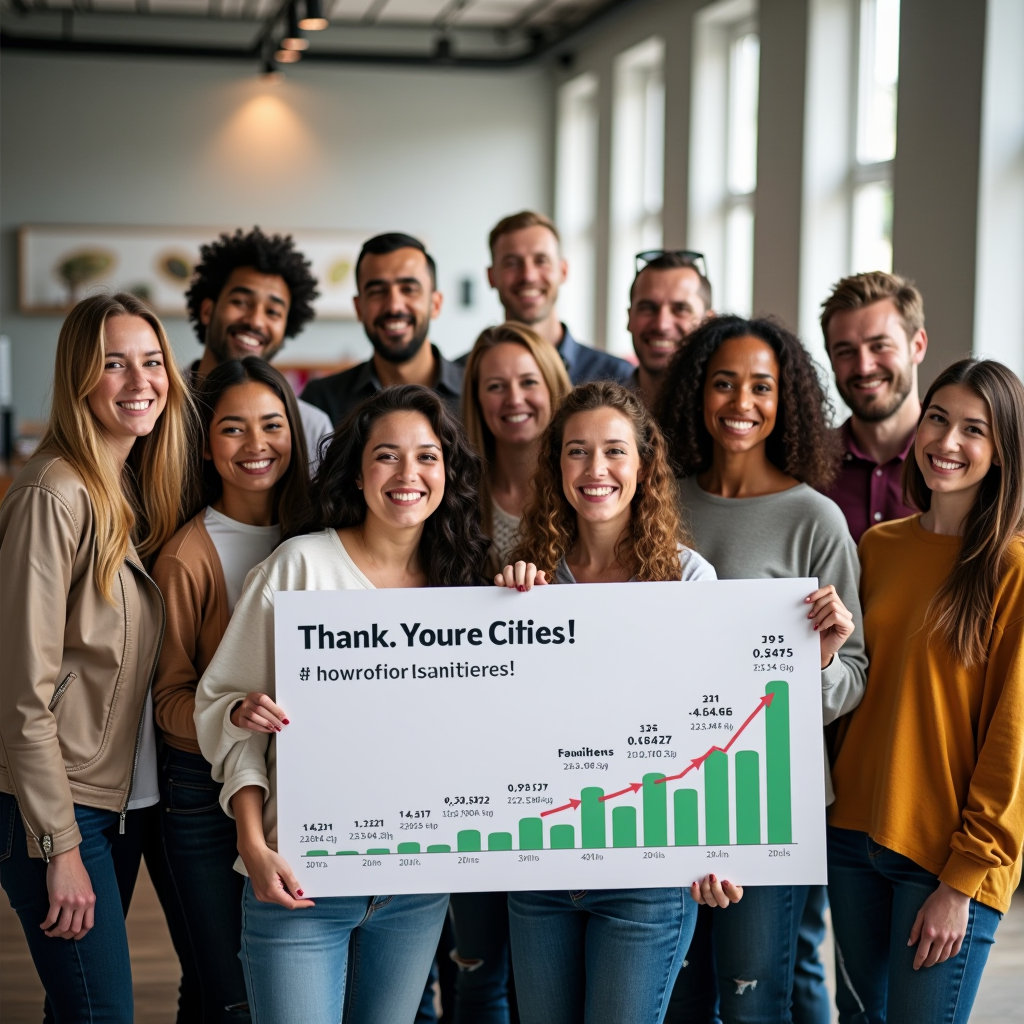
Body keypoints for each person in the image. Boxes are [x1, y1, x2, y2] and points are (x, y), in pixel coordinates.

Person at [194, 385, 490, 1024]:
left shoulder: (468, 587)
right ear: (357, 473)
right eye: (386, 456)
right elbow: (226, 712)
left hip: (414, 889)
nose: (408, 474)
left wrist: (527, 595)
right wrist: (252, 844)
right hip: (299, 880)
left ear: (448, 474)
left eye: (427, 457)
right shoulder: (300, 568)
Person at [495, 381, 743, 1024]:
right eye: (576, 451)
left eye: (614, 450)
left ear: (643, 465)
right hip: (542, 868)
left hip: (647, 875)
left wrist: (722, 846)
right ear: (556, 467)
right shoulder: (525, 578)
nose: (595, 469)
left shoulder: (689, 579)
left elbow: (714, 724)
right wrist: (502, 609)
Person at [657, 315, 866, 1024]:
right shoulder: (657, 504)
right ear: (696, 393)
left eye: (761, 386)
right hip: (663, 791)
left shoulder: (816, 519)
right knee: (676, 1000)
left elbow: (851, 679)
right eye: (723, 383)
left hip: (771, 798)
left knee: (754, 1001)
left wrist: (820, 660)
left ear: (787, 400)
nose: (741, 402)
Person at [0, 292, 194, 1021]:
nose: (140, 381)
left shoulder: (130, 486)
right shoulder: (53, 493)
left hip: (120, 801)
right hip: (57, 806)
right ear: (80, 378)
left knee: (77, 1007)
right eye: (115, 364)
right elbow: (22, 692)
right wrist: (59, 847)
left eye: (152, 361)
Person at [828, 358, 1024, 1024]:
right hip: (852, 835)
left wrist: (963, 881)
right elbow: (855, 684)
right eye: (937, 418)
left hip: (945, 855)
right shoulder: (877, 547)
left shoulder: (1012, 568)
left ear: (1003, 452)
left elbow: (1012, 743)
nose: (947, 441)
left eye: (975, 429)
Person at [151, 358, 310, 1024]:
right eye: (233, 429)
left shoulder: (323, 530)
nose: (256, 445)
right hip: (203, 791)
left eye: (272, 425)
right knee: (233, 993)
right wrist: (232, 712)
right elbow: (166, 699)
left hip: (302, 784)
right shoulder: (187, 556)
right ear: (204, 444)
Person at [186, 226, 334, 469]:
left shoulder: (311, 427)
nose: (255, 321)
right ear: (207, 310)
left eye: (273, 312)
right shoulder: (157, 405)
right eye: (241, 302)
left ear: (285, 328)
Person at [302, 233, 463, 427]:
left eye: (409, 289)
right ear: (359, 308)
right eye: (377, 292)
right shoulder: (321, 401)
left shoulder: (478, 393)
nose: (394, 306)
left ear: (435, 304)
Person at [819, 271, 928, 543]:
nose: (864, 367)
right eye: (845, 351)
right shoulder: (809, 467)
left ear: (917, 346)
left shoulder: (958, 463)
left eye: (880, 346)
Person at [462, 321, 572, 571]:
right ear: (477, 400)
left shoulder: (583, 488)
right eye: (496, 386)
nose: (514, 399)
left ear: (554, 387)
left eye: (528, 382)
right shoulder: (459, 495)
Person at [486, 211, 633, 386]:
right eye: (512, 263)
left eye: (541, 261)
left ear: (563, 271)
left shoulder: (617, 378)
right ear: (491, 277)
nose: (528, 276)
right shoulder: (463, 377)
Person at [627, 250, 714, 409]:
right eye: (648, 308)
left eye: (680, 309)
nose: (662, 325)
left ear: (708, 322)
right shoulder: (597, 408)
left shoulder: (721, 414)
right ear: (629, 318)